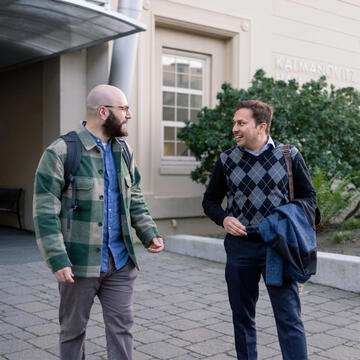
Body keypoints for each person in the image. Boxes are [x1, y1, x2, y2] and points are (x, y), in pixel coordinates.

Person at [33, 84, 164, 360]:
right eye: (124, 109)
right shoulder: (60, 152)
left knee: (122, 331)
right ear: (103, 112)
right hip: (78, 264)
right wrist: (57, 259)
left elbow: (134, 196)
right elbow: (44, 211)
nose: (129, 115)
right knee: (72, 331)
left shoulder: (124, 151)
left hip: (120, 262)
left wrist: (148, 232)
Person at [202, 100, 317, 360]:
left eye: (241, 123)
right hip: (240, 247)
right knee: (242, 318)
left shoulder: (289, 156)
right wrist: (224, 219)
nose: (234, 128)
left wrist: (281, 218)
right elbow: (209, 201)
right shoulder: (227, 160)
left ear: (262, 126)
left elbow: (309, 198)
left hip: (278, 246)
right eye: (234, 123)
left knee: (289, 317)